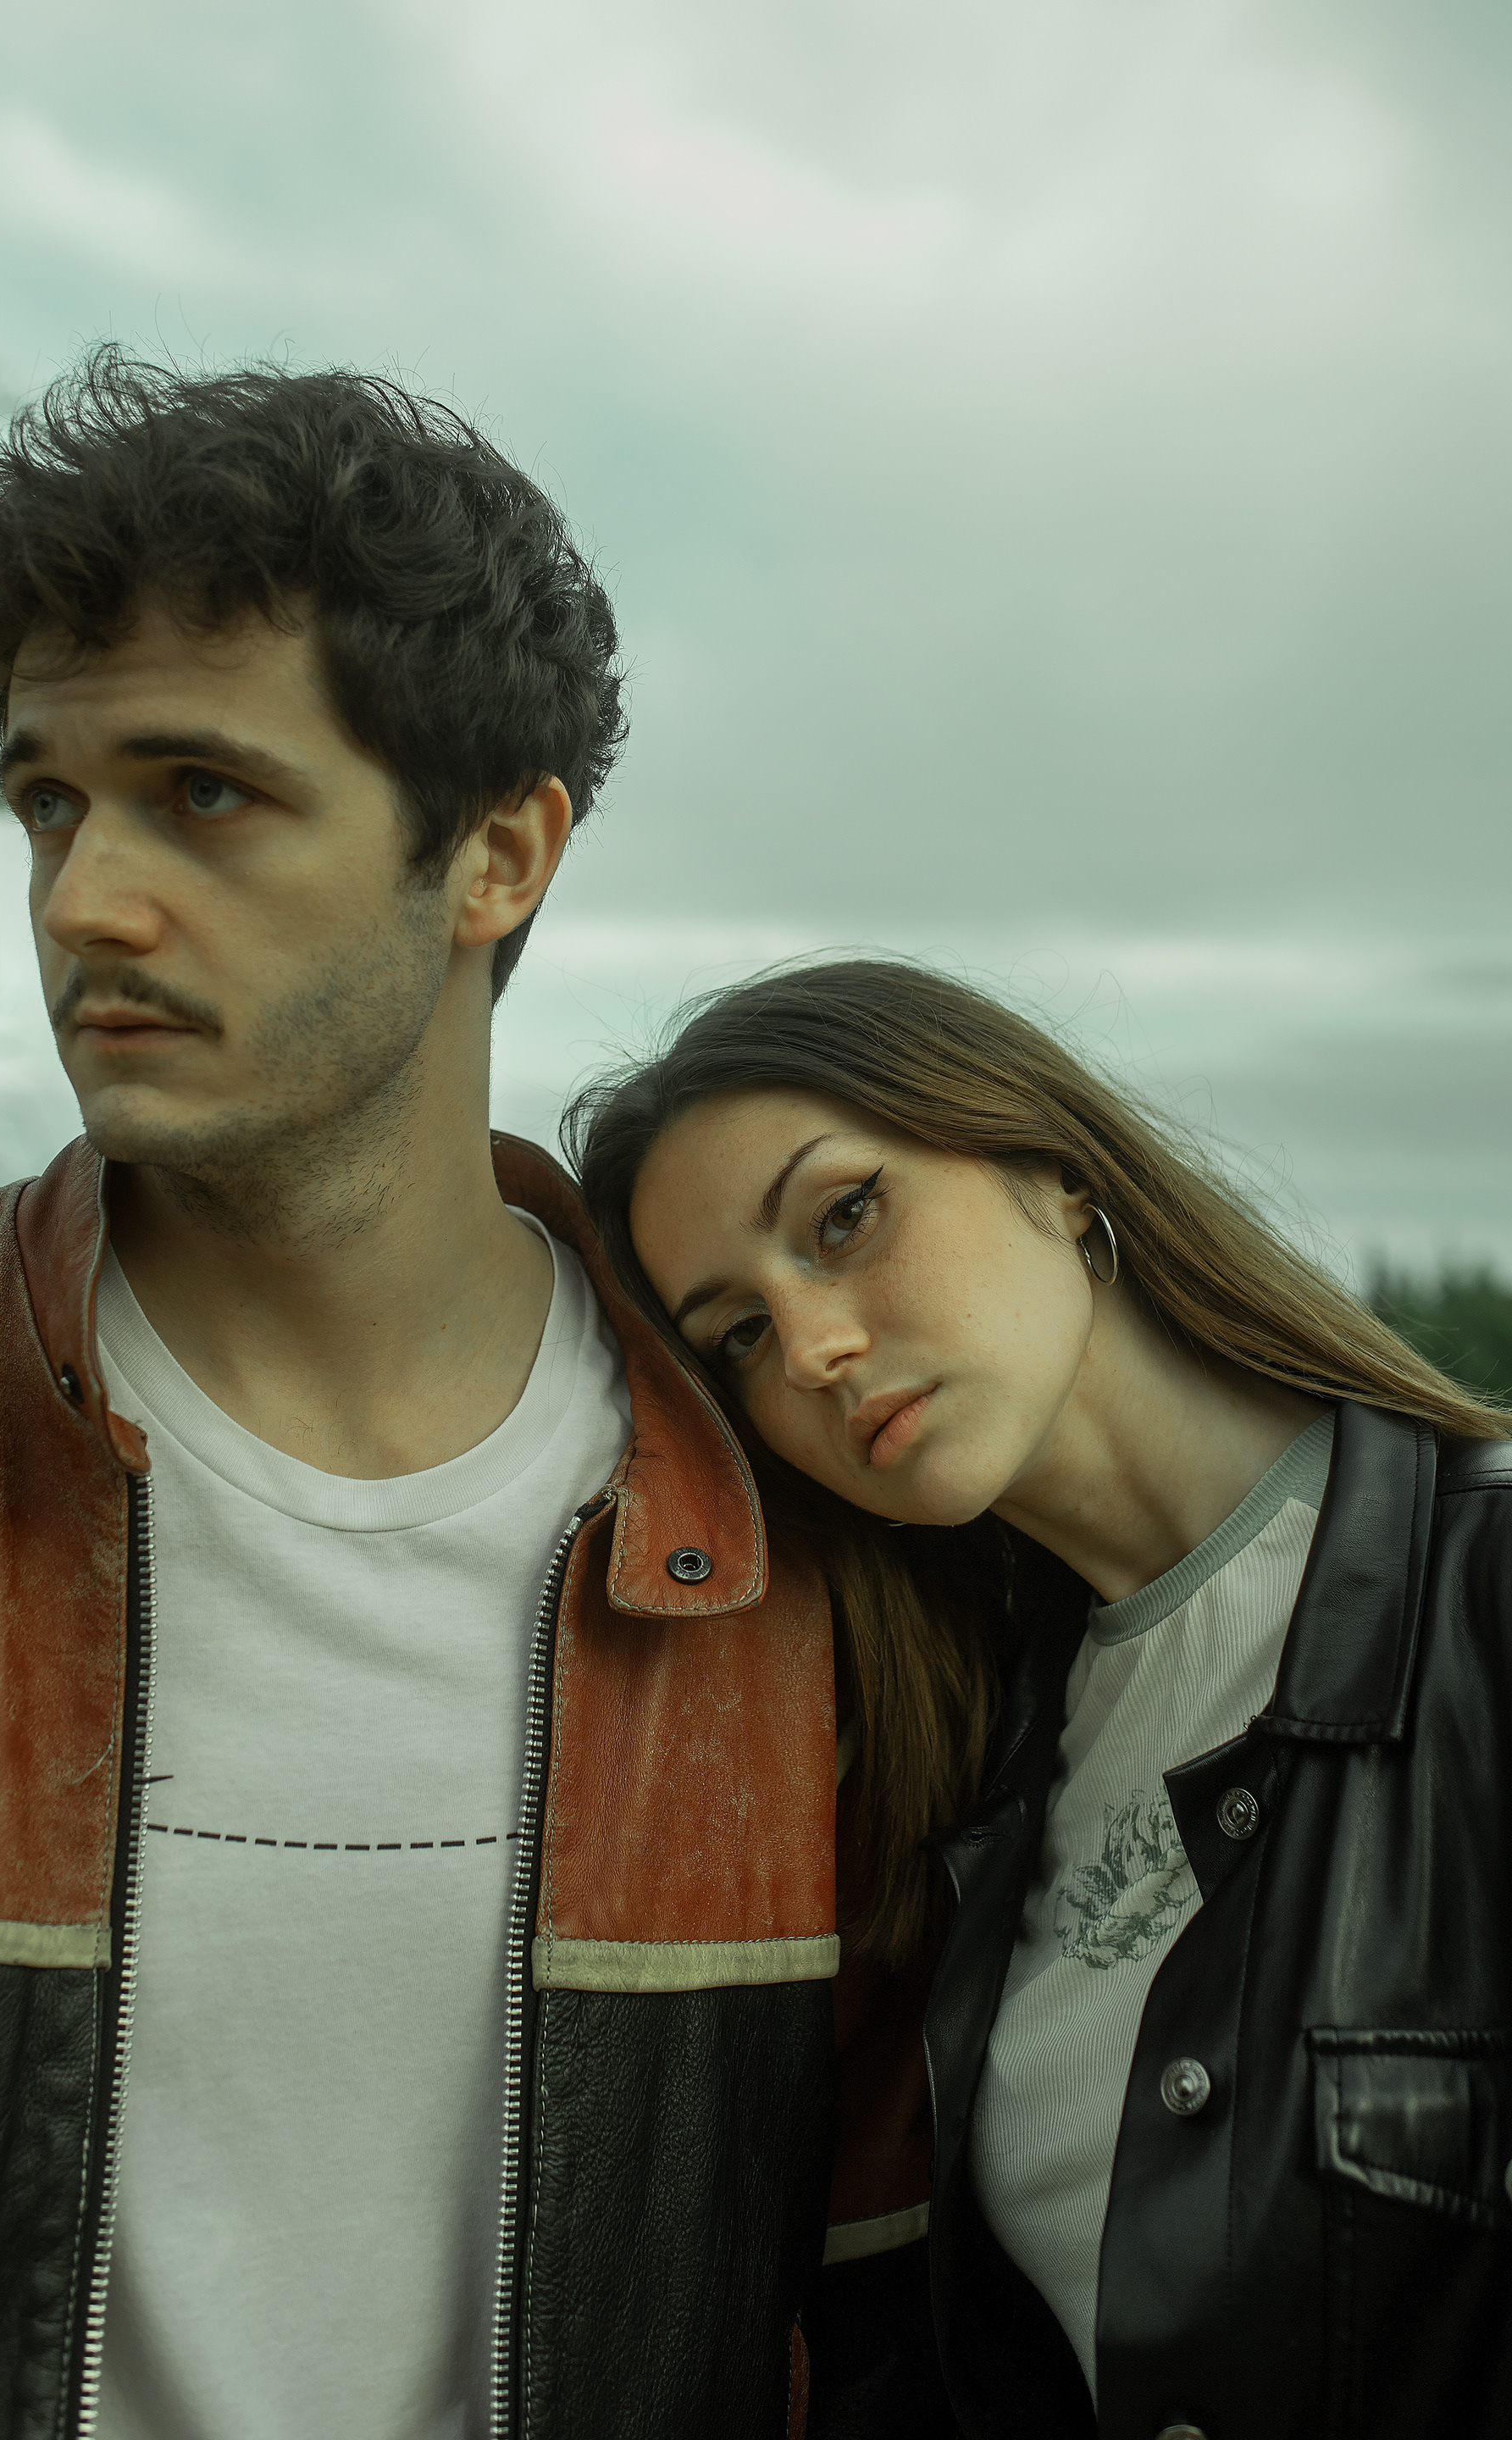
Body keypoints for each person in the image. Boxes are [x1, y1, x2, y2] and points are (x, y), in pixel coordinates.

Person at [0, 361, 944, 2440]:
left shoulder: (799, 1522)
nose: (84, 901)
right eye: (50, 801)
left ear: (497, 856)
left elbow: (904, 2303)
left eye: (206, 793)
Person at [569, 957, 1512, 2440]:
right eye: (736, 1335)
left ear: (1054, 1171)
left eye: (845, 1216)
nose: (810, 1350)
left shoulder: (1482, 1600)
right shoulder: (975, 1765)